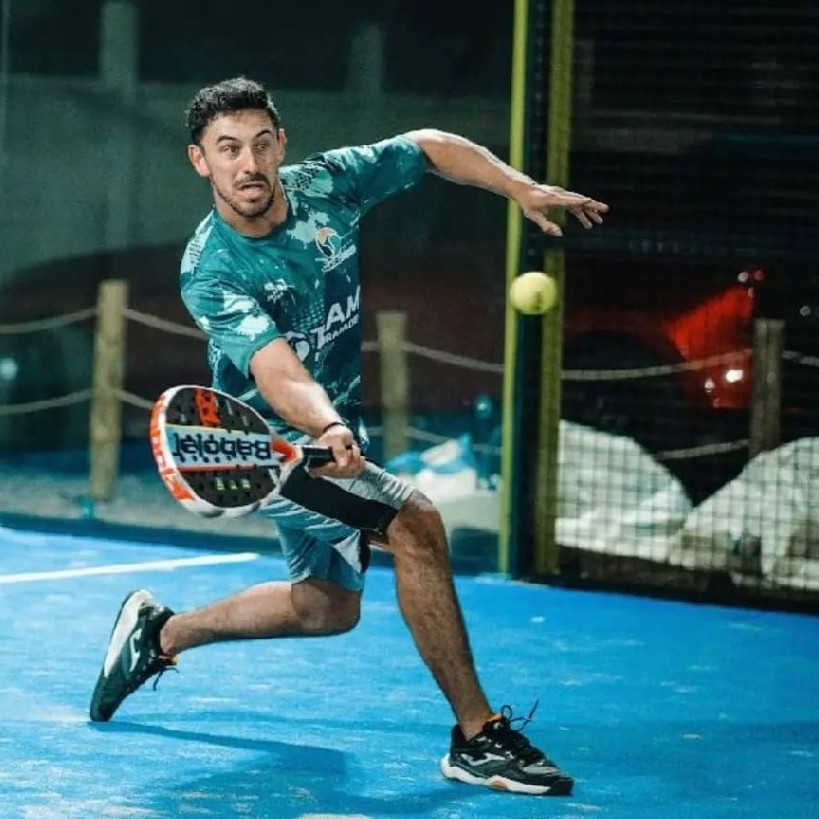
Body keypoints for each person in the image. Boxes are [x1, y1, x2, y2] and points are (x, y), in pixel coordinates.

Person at [90, 77, 608, 796]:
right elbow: (276, 369)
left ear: (282, 145)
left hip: (334, 433)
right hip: (275, 447)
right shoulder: (211, 269)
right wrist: (325, 422)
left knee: (326, 607)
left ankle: (160, 634)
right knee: (416, 521)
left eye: (260, 144)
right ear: (199, 161)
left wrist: (517, 186)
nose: (248, 164)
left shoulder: (326, 186)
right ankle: (477, 737)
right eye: (227, 149)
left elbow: (426, 147)